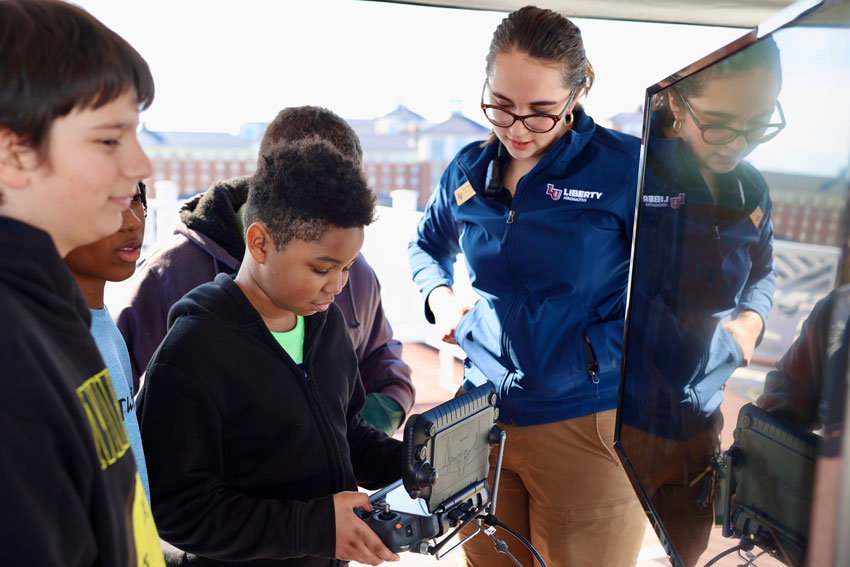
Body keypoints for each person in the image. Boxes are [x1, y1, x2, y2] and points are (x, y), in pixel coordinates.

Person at [408, 6, 645, 566]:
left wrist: (600, 354)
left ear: (579, 91)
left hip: (585, 423)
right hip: (481, 417)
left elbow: (678, 290)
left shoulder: (628, 170)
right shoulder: (465, 170)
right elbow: (425, 246)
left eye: (540, 112)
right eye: (500, 107)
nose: (516, 129)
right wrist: (441, 300)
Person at [137, 139, 403, 567]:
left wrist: (412, 464)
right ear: (259, 243)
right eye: (321, 268)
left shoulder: (326, 323)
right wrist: (315, 528)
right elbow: (179, 512)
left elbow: (343, 432)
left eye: (347, 267)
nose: (337, 286)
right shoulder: (191, 353)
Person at [115, 106, 413, 435]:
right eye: (319, 268)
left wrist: (362, 430)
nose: (336, 283)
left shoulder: (354, 275)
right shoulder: (169, 274)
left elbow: (381, 356)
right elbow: (113, 395)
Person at [0, 1, 164, 565]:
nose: (140, 164)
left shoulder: (57, 312)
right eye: (108, 140)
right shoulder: (14, 355)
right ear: (14, 153)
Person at [619, 37, 782, 567]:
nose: (739, 142)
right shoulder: (631, 178)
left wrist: (751, 322)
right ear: (672, 101)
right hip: (623, 419)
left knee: (686, 551)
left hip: (700, 420)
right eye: (719, 122)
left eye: (758, 123)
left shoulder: (753, 191)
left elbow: (763, 270)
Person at [65, 181, 152, 500]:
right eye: (107, 202)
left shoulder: (103, 323)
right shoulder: (38, 343)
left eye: (136, 199)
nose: (132, 220)